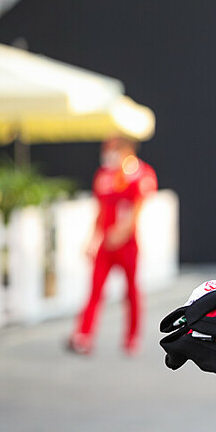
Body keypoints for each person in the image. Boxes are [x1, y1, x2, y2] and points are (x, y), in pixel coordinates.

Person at [68, 136, 157, 355]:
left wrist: (122, 232)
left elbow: (138, 208)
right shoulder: (105, 175)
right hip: (106, 244)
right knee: (95, 289)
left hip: (127, 244)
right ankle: (84, 335)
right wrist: (92, 240)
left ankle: (132, 337)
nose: (109, 154)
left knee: (131, 291)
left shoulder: (141, 173)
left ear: (126, 149)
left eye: (113, 149)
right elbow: (100, 210)